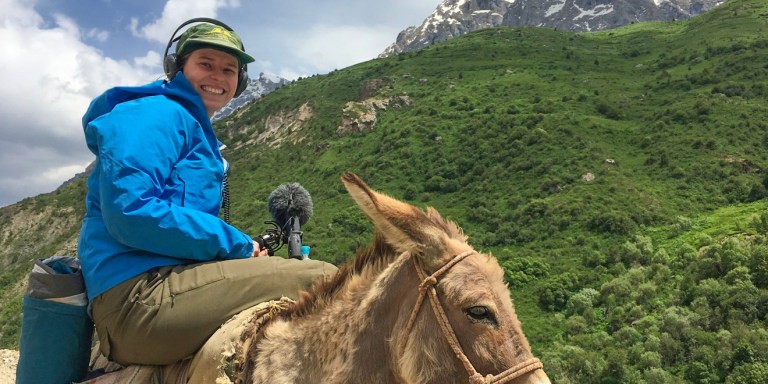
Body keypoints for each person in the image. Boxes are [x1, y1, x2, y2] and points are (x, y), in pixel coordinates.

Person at [78, 18, 337, 366]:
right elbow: (132, 212)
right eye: (206, 64)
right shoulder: (154, 114)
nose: (218, 76)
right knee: (324, 278)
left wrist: (238, 250)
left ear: (239, 82)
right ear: (177, 68)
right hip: (138, 300)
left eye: (229, 70)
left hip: (161, 289)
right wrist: (238, 245)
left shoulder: (187, 124)